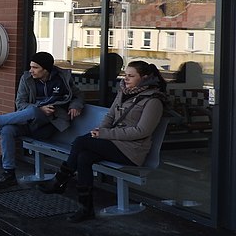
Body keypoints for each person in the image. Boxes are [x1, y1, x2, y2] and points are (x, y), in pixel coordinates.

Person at [39, 60, 167, 223]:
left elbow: (141, 131)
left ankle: (60, 180)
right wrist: (100, 131)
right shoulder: (124, 92)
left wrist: (105, 133)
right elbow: (110, 116)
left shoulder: (153, 101)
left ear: (145, 78)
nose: (126, 79)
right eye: (125, 75)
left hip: (131, 151)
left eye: (131, 76)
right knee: (84, 157)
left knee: (80, 142)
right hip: (114, 142)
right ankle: (86, 208)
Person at [0, 52, 84, 190]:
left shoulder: (62, 79)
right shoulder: (27, 79)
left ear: (46, 69)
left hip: (48, 126)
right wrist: (39, 108)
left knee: (31, 112)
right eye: (31, 67)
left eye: (35, 67)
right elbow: (20, 104)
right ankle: (9, 173)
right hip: (28, 123)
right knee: (6, 129)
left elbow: (78, 95)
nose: (31, 70)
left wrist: (75, 106)